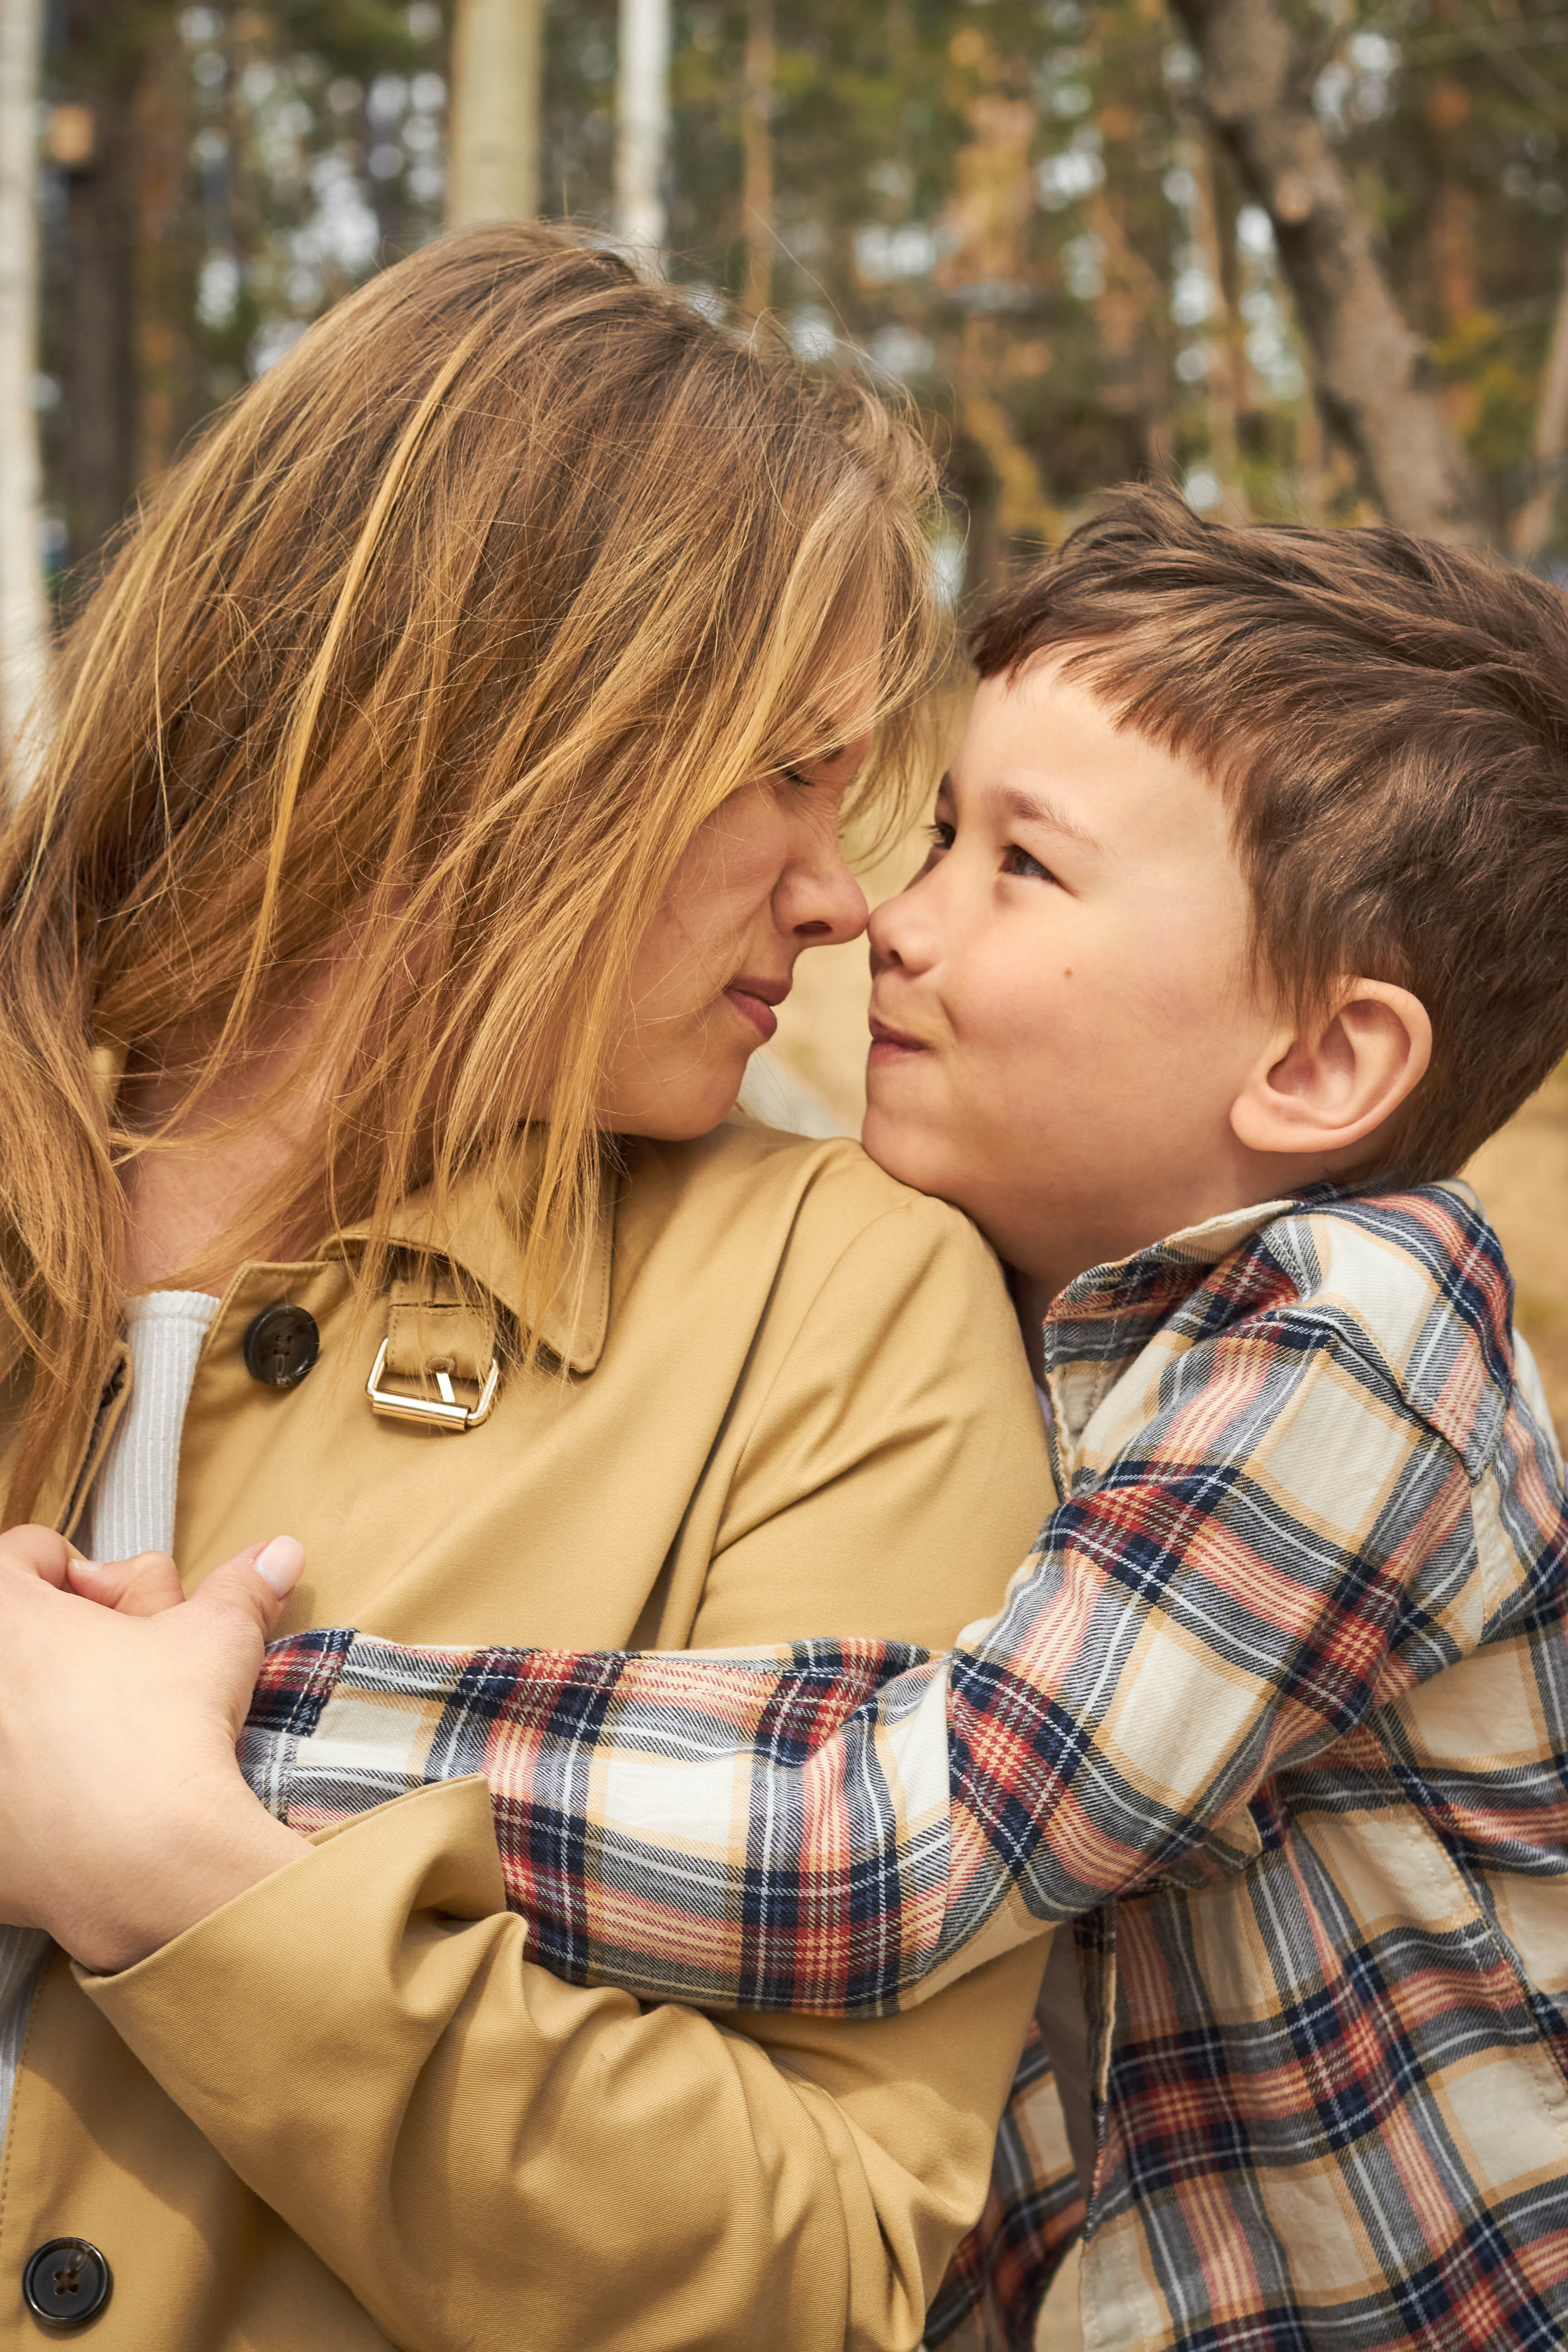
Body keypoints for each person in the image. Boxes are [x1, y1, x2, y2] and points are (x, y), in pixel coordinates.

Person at [47, 492, 1568, 2352]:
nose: (887, 920)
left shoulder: (1367, 1344)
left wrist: (208, 1735)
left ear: (1322, 1063)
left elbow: (895, 1840)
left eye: (1023, 868)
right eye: (939, 832)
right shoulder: (1026, 1307)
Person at [0, 224, 1064, 2351]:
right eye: (783, 766)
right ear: (502, 716)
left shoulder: (831, 1315)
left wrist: (179, 1879)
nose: (841, 897)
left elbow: (833, 2272)